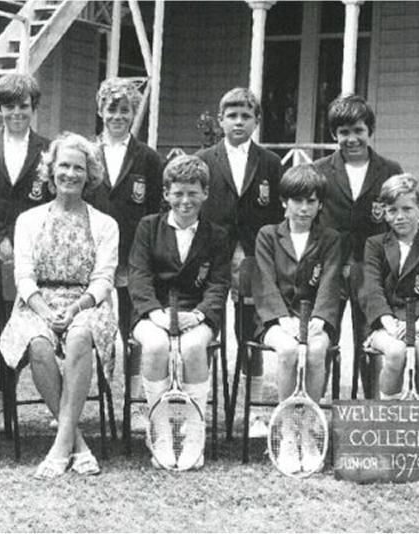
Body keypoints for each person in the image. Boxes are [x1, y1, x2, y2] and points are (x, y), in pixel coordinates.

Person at [0, 132, 119, 479]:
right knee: (38, 343)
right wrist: (42, 309)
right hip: (37, 303)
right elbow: (24, 276)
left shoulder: (104, 223)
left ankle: (59, 446)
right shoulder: (29, 220)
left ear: (89, 174)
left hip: (85, 303)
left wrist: (77, 307)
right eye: (63, 166)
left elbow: (103, 279)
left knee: (81, 336)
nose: (70, 174)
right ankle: (77, 444)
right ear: (51, 171)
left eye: (78, 168)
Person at [129, 154, 230, 470]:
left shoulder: (217, 235)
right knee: (157, 345)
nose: (185, 201)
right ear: (166, 194)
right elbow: (139, 275)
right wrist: (155, 313)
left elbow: (218, 284)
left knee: (192, 346)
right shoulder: (148, 227)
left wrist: (198, 315)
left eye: (193, 193)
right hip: (152, 314)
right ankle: (159, 430)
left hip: (196, 315)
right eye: (178, 193)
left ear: (205, 194)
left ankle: (192, 431)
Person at [196, 87, 284, 437]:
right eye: (231, 116)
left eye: (245, 116)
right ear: (220, 121)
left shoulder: (270, 163)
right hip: (213, 256)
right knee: (206, 330)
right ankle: (197, 406)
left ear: (256, 122)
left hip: (253, 258)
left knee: (250, 331)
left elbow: (277, 215)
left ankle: (254, 412)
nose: (238, 122)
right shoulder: (204, 159)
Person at [0, 73, 51, 431]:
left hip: (30, 251)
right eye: (9, 106)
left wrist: (22, 244)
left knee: (19, 324)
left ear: (34, 108)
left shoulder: (47, 149)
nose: (16, 112)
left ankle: (9, 399)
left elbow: (50, 203)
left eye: (24, 106)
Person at [251, 164, 342, 474]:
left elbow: (330, 283)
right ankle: (288, 431)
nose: (304, 209)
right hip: (276, 321)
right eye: (297, 201)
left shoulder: (329, 238)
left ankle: (308, 427)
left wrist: (319, 319)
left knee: (316, 352)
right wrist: (279, 318)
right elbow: (264, 282)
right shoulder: (268, 235)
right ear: (284, 202)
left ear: (320, 205)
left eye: (312, 202)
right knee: (289, 351)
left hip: (315, 320)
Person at [85, 77, 164, 429]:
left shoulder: (147, 157)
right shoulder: (87, 153)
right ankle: (96, 403)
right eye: (112, 109)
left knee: (134, 329)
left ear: (134, 114)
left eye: (125, 110)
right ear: (101, 110)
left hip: (135, 256)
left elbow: (156, 208)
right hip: (95, 254)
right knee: (91, 327)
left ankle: (134, 403)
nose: (118, 116)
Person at [315, 93, 403, 399]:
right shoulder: (320, 170)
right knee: (324, 337)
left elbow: (396, 218)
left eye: (358, 131)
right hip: (331, 266)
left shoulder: (390, 169)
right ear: (333, 134)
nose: (351, 139)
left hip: (373, 268)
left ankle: (373, 410)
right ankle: (314, 407)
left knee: (372, 338)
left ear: (370, 130)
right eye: (343, 132)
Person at [363, 174, 419, 402]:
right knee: (395, 351)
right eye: (392, 210)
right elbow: (372, 288)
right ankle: (389, 410)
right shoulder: (375, 245)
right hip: (387, 325)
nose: (400, 217)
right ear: (384, 212)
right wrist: (389, 323)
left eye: (407, 209)